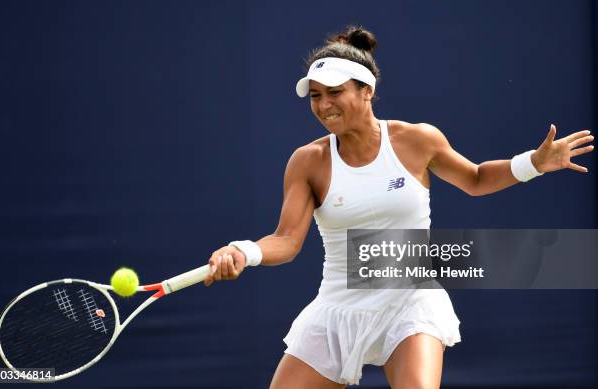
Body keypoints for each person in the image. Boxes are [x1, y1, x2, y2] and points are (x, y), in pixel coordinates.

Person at [203, 26, 594, 388]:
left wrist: (534, 163)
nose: (323, 106)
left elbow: (474, 179)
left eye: (335, 92)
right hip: (337, 306)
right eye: (316, 96)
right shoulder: (307, 161)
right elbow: (286, 241)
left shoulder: (416, 140)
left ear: (367, 91)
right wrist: (244, 251)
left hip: (410, 300)